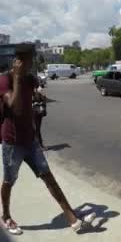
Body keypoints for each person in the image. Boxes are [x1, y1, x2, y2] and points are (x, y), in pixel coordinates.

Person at [0, 49, 95, 235]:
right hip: (12, 143)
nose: (30, 65)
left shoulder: (30, 79)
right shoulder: (5, 80)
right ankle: (6, 216)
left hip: (31, 141)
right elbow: (14, 107)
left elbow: (31, 98)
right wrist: (18, 78)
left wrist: (37, 95)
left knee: (48, 177)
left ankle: (72, 219)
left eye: (31, 61)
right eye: (26, 61)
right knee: (9, 181)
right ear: (17, 61)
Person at [32, 85, 47, 150]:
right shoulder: (28, 93)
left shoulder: (39, 91)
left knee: (37, 129)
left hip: (38, 113)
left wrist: (39, 103)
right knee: (35, 129)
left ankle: (39, 145)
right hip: (32, 114)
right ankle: (39, 145)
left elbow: (44, 102)